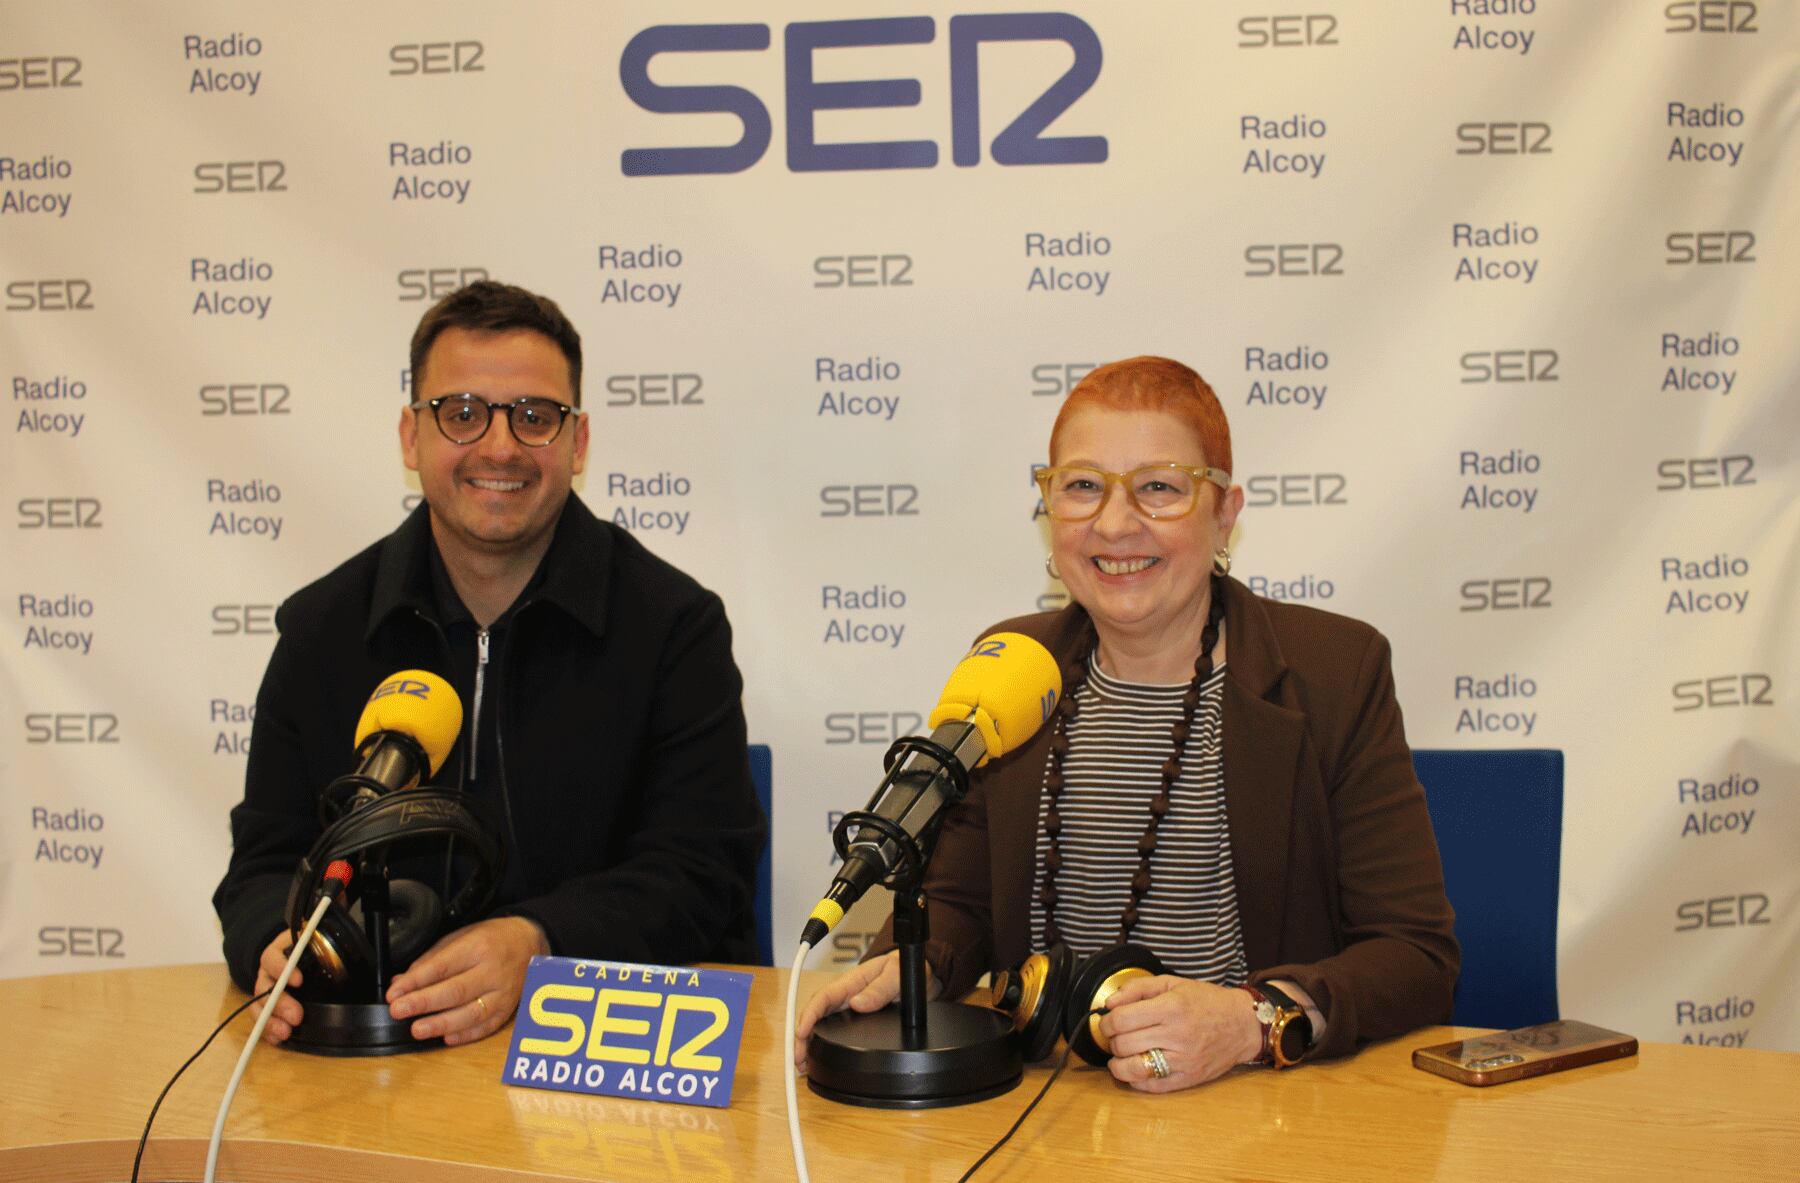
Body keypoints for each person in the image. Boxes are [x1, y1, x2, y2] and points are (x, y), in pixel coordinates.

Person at [797, 355, 1457, 1090]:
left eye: (1159, 488)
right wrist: (908, 966)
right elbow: (961, 901)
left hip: (1262, 1104)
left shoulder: (1334, 671)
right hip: (1049, 1106)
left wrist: (1251, 1021)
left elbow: (1414, 951)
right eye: (1082, 487)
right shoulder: (1017, 668)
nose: (1115, 523)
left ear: (1225, 512)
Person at [213, 280, 764, 1047]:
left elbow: (705, 872)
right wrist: (268, 943)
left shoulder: (674, 626)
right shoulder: (320, 630)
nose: (500, 447)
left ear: (578, 441)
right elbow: (264, 865)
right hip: (375, 1059)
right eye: (462, 413)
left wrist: (541, 939)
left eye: (535, 417)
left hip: (599, 1067)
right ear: (412, 437)